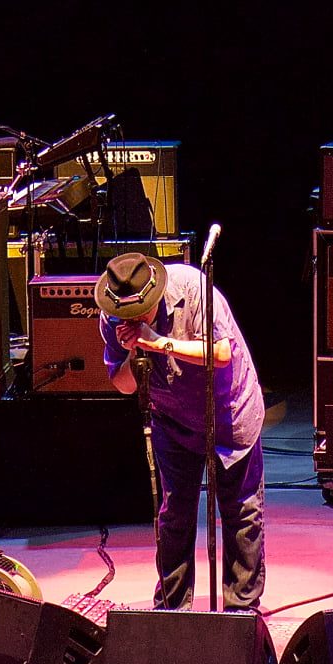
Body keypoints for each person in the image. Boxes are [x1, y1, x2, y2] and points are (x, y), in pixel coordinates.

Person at [94, 253, 266, 610]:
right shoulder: (111, 319)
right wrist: (132, 350)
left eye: (137, 315)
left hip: (228, 413)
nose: (129, 321)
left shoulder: (194, 289)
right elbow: (124, 385)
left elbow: (220, 353)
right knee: (174, 516)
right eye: (122, 316)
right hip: (172, 421)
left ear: (155, 297)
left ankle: (242, 611)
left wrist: (156, 341)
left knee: (241, 514)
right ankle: (173, 608)